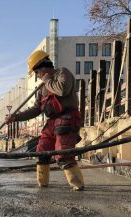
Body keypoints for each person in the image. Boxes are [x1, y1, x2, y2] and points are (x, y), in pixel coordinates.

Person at [6, 50, 84, 191]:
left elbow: (62, 90)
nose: (37, 76)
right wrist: (15, 118)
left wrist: (47, 80)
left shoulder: (62, 73)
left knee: (63, 154)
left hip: (67, 119)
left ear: (42, 68)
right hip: (52, 122)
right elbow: (36, 109)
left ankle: (77, 185)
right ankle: (43, 184)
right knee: (41, 151)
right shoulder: (42, 89)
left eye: (37, 72)